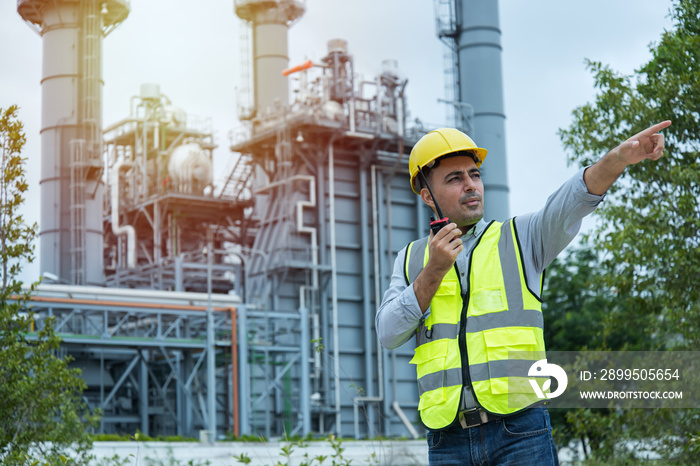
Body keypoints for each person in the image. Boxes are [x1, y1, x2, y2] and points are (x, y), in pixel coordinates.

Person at [375, 121, 670, 465]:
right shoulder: (410, 260)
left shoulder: (520, 238)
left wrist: (617, 159)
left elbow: (572, 199)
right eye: (455, 179)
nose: (471, 186)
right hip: (447, 441)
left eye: (474, 174)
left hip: (520, 433)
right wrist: (434, 271)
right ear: (427, 195)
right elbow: (388, 333)